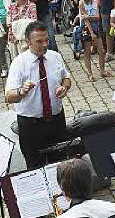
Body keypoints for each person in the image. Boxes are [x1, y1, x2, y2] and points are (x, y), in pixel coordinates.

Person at [6, 21, 71, 169]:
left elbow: (66, 78)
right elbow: (9, 96)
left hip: (56, 120)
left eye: (46, 40)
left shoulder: (55, 57)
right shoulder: (19, 63)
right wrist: (21, 92)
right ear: (28, 42)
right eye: (39, 42)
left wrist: (64, 87)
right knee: (35, 166)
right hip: (31, 125)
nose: (44, 45)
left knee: (60, 166)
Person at [77, 0, 108, 80]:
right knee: (87, 52)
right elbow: (84, 20)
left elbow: (97, 16)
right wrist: (91, 31)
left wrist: (88, 17)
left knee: (101, 50)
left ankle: (102, 70)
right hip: (86, 29)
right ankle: (90, 74)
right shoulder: (81, 2)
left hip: (96, 27)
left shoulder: (95, 0)